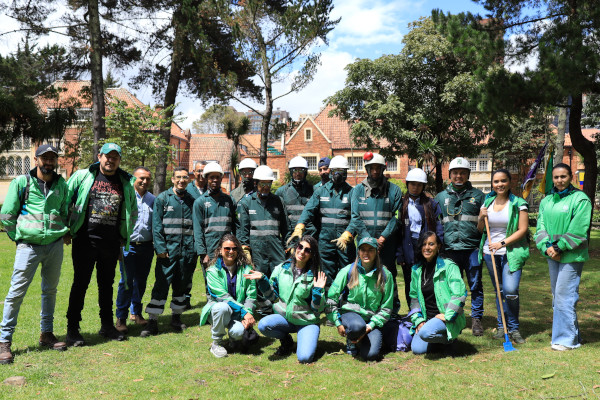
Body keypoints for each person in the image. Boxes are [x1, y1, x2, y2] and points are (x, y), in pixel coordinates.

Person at [0, 145, 69, 364]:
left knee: (49, 291)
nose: (49, 162)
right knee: (16, 293)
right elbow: (7, 214)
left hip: (54, 245)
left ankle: (46, 334)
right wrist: (17, 237)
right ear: (36, 159)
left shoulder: (61, 184)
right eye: (45, 158)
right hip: (28, 246)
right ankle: (4, 341)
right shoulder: (22, 183)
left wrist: (64, 232)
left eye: (52, 158)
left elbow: (67, 211)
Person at [65, 143, 137, 346]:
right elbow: (65, 201)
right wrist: (67, 230)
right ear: (99, 156)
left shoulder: (125, 182)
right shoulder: (83, 176)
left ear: (119, 160)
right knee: (80, 285)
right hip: (85, 241)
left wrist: (125, 234)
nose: (110, 160)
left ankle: (107, 326)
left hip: (111, 243)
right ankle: (72, 329)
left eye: (115, 157)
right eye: (107, 156)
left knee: (106, 286)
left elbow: (132, 211)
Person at [535, 163, 592, 351]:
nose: (559, 180)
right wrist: (547, 249)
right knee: (558, 296)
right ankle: (573, 335)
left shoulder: (580, 199)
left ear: (571, 177)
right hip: (552, 255)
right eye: (556, 177)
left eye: (563, 177)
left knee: (564, 296)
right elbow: (540, 228)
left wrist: (558, 248)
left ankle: (566, 340)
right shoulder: (547, 201)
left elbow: (578, 230)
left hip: (571, 256)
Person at [245, 235, 327, 363]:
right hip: (285, 319)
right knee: (264, 325)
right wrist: (262, 280)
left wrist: (317, 291)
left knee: (304, 358)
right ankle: (286, 340)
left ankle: (307, 337)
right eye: (300, 247)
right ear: (296, 248)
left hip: (306, 322)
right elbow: (273, 297)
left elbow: (318, 309)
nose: (302, 252)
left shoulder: (316, 275)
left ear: (312, 255)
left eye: (307, 250)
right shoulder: (281, 269)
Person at [141, 167, 197, 336]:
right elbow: (156, 226)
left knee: (181, 285)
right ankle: (153, 321)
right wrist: (160, 248)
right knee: (161, 284)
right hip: (167, 252)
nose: (181, 180)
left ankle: (176, 317)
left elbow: (195, 227)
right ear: (172, 179)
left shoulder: (191, 200)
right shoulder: (163, 199)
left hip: (186, 251)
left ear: (188, 180)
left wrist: (193, 249)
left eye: (185, 177)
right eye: (178, 177)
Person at [345, 152, 402, 313]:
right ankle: (362, 309)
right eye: (372, 168)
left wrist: (383, 238)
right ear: (367, 169)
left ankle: (392, 310)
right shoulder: (357, 191)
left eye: (379, 168)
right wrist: (369, 241)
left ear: (384, 168)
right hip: (365, 244)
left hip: (387, 244)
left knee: (388, 275)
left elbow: (397, 216)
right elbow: (355, 218)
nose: (375, 171)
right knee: (363, 275)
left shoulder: (394, 190)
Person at [434, 157, 485, 336]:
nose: (459, 176)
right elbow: (435, 223)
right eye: (455, 173)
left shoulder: (478, 196)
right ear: (450, 175)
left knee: (475, 285)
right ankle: (453, 316)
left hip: (472, 249)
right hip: (449, 250)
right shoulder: (440, 197)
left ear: (468, 175)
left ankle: (477, 319)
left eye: (463, 173)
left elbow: (485, 223)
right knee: (452, 287)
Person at [477, 169, 529, 344]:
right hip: (490, 253)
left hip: (511, 252)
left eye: (503, 181)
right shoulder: (488, 202)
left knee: (511, 290)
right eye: (496, 181)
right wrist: (480, 217)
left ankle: (513, 328)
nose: (499, 184)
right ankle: (502, 327)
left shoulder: (518, 203)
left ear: (509, 182)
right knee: (499, 291)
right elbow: (480, 229)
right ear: (492, 184)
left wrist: (502, 243)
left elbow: (522, 230)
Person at [291, 156, 355, 290]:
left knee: (347, 271)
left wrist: (349, 233)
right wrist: (300, 225)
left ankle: (346, 300)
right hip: (326, 239)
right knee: (327, 271)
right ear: (331, 171)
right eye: (335, 171)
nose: (337, 174)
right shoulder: (321, 191)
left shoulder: (352, 193)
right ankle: (329, 301)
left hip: (345, 240)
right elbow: (309, 210)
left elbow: (357, 217)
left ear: (346, 173)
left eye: (341, 171)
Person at [326, 237, 394, 361]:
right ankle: (352, 339)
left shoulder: (386, 275)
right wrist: (337, 322)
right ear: (358, 252)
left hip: (371, 319)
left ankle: (362, 339)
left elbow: (387, 308)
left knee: (370, 355)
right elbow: (331, 298)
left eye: (370, 250)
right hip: (351, 316)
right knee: (357, 326)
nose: (366, 253)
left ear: (377, 252)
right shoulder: (347, 271)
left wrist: (371, 325)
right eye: (363, 249)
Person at [237, 165, 289, 316]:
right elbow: (243, 230)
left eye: (268, 184)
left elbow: (285, 227)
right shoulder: (247, 202)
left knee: (278, 276)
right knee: (258, 277)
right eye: (262, 184)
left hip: (276, 247)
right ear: (256, 183)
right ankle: (264, 308)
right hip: (257, 248)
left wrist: (289, 246)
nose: (265, 187)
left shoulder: (278, 201)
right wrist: (245, 250)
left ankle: (279, 306)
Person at [409, 232, 467, 355]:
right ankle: (440, 340)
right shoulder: (416, 270)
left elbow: (460, 294)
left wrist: (448, 316)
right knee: (417, 349)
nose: (427, 248)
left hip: (447, 316)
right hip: (427, 318)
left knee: (425, 333)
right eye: (424, 244)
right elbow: (413, 298)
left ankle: (449, 340)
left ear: (439, 246)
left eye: (431, 244)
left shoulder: (449, 266)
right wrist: (418, 320)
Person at [200, 234, 257, 358]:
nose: (231, 252)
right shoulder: (212, 271)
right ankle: (216, 343)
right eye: (227, 248)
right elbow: (223, 298)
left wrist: (248, 314)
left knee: (238, 331)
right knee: (221, 307)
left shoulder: (247, 270)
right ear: (220, 250)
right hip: (218, 311)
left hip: (238, 313)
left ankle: (233, 339)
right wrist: (244, 312)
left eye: (234, 249)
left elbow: (251, 296)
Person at [115, 166, 155, 333]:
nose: (145, 182)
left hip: (146, 247)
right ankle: (121, 318)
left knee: (141, 281)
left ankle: (136, 313)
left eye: (147, 179)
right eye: (141, 178)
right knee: (126, 282)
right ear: (134, 179)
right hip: (128, 246)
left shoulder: (153, 199)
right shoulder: (125, 197)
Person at [396, 168, 443, 306]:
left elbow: (439, 227)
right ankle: (413, 310)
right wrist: (400, 254)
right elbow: (397, 231)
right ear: (407, 184)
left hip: (426, 246)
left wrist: (437, 246)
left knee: (427, 279)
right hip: (407, 247)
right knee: (409, 281)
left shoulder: (431, 204)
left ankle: (429, 309)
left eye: (419, 185)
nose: (415, 188)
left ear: (423, 186)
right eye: (412, 184)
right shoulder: (401, 205)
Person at [193, 162, 237, 293]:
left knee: (228, 280)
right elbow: (197, 230)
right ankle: (213, 310)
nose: (215, 180)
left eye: (218, 177)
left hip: (228, 249)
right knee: (211, 283)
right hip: (210, 249)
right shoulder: (200, 202)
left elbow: (235, 226)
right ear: (206, 179)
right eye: (211, 177)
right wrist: (203, 253)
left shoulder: (229, 201)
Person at [276, 156, 316, 241]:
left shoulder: (314, 191)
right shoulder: (282, 192)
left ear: (305, 172)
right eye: (295, 170)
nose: (298, 173)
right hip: (290, 237)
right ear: (291, 172)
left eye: (301, 170)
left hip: (310, 236)